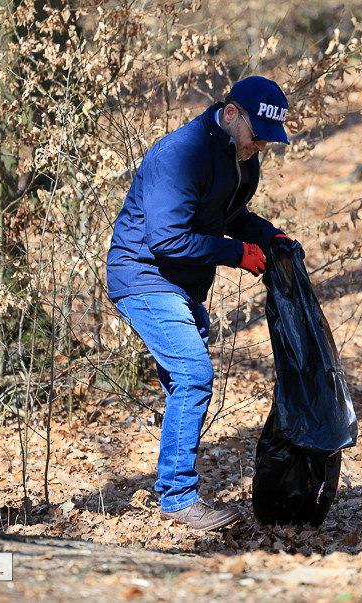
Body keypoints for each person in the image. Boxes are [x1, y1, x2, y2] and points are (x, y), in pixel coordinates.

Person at [106, 76, 299, 530]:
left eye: (270, 141)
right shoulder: (181, 155)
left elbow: (233, 217)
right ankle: (177, 499)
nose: (261, 147)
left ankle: (175, 488)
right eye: (258, 136)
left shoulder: (240, 157)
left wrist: (270, 239)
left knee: (184, 383)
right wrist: (237, 254)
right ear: (231, 114)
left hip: (184, 286)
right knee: (194, 374)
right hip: (143, 276)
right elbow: (168, 238)